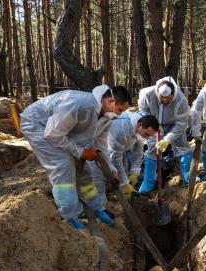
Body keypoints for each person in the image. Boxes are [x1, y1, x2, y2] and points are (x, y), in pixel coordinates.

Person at [20, 85, 131, 230]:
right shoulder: (80, 104)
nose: (119, 115)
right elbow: (53, 134)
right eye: (120, 110)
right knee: (63, 165)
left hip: (61, 131)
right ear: (111, 101)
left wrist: (111, 168)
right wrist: (80, 152)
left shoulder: (106, 116)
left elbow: (100, 145)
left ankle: (95, 207)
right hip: (37, 123)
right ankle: (69, 216)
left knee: (85, 169)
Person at [138, 76, 192, 193]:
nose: (165, 102)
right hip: (154, 125)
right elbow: (143, 111)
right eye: (162, 99)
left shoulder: (181, 100)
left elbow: (182, 123)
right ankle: (149, 182)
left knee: (182, 147)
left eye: (169, 99)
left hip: (174, 125)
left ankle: (187, 177)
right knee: (152, 149)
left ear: (173, 94)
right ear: (157, 93)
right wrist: (152, 126)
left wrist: (168, 139)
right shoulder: (147, 94)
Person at [107, 112, 159, 200]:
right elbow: (115, 158)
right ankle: (98, 208)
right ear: (139, 125)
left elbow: (138, 152)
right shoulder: (122, 129)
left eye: (149, 136)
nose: (147, 138)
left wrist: (135, 171)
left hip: (120, 151)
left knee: (124, 174)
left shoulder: (140, 128)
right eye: (146, 134)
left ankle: (121, 197)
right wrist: (124, 182)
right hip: (103, 150)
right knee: (100, 180)